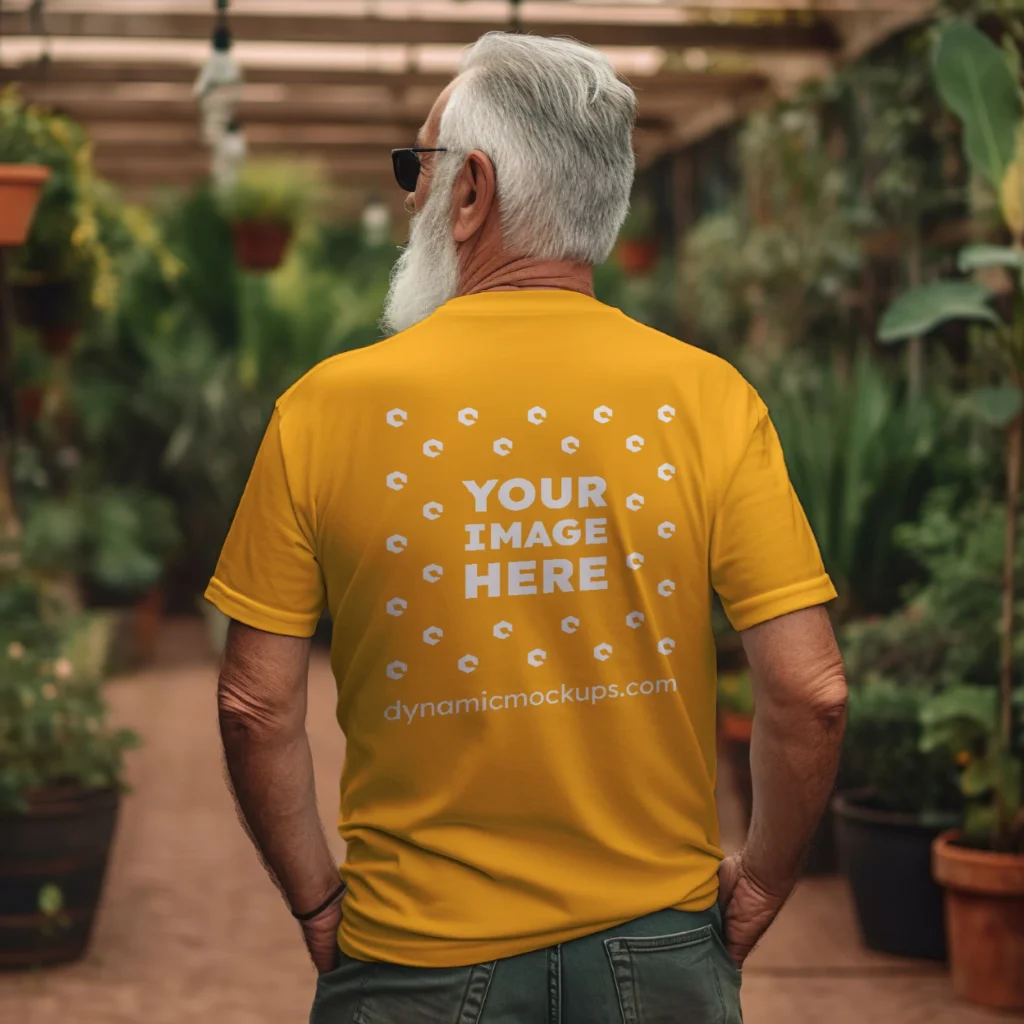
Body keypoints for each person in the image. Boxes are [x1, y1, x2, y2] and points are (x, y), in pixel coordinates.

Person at [208, 31, 847, 1024]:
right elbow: (810, 692)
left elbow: (254, 705)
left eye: (419, 169)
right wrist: (759, 881)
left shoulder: (322, 412)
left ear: (472, 194)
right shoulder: (708, 400)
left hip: (412, 957)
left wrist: (316, 897)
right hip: (659, 953)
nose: (408, 197)